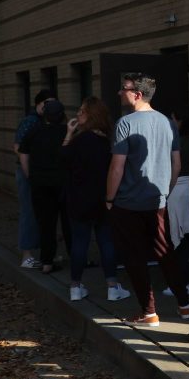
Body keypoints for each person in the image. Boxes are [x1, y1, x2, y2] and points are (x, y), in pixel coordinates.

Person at [104, 72, 189, 327]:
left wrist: (109, 198)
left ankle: (149, 311)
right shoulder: (167, 122)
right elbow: (177, 163)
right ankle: (184, 305)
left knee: (134, 256)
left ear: (138, 94)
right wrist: (167, 190)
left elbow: (116, 167)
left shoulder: (125, 123)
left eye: (124, 89)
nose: (120, 93)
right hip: (158, 200)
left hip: (128, 202)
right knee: (166, 252)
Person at [62, 97, 128, 302]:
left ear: (92, 115)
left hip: (79, 199)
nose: (78, 114)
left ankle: (75, 286)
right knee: (106, 241)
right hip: (103, 198)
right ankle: (112, 286)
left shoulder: (78, 141)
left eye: (82, 111)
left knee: (79, 242)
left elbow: (62, 160)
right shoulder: (107, 142)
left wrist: (68, 134)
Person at [18, 98, 69, 273]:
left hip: (39, 183)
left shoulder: (33, 131)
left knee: (46, 223)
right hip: (63, 183)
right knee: (68, 221)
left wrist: (29, 176)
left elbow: (23, 154)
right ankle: (76, 257)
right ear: (62, 115)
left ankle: (47, 261)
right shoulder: (67, 132)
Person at [165, 105, 189, 300]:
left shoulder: (176, 142)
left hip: (178, 190)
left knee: (178, 241)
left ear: (180, 121)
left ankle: (181, 284)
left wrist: (167, 192)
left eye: (173, 118)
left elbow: (175, 168)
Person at [15, 89, 54, 268]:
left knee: (40, 213)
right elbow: (18, 148)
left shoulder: (43, 122)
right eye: (45, 103)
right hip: (28, 172)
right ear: (38, 104)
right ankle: (27, 254)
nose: (48, 107)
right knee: (29, 211)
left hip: (37, 172)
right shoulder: (30, 122)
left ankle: (37, 253)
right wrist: (30, 173)